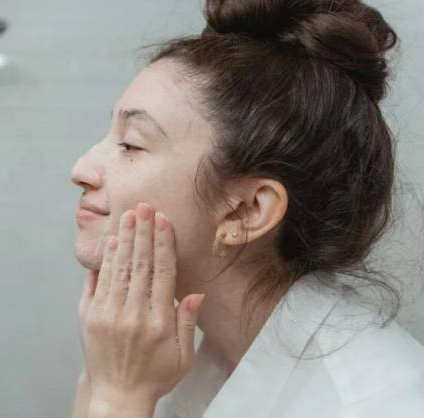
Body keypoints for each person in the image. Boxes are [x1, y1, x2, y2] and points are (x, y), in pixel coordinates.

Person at [68, 0, 424, 417]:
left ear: (247, 211)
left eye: (131, 145)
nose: (81, 170)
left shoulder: (377, 406)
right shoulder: (166, 353)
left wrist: (119, 396)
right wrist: (103, 378)